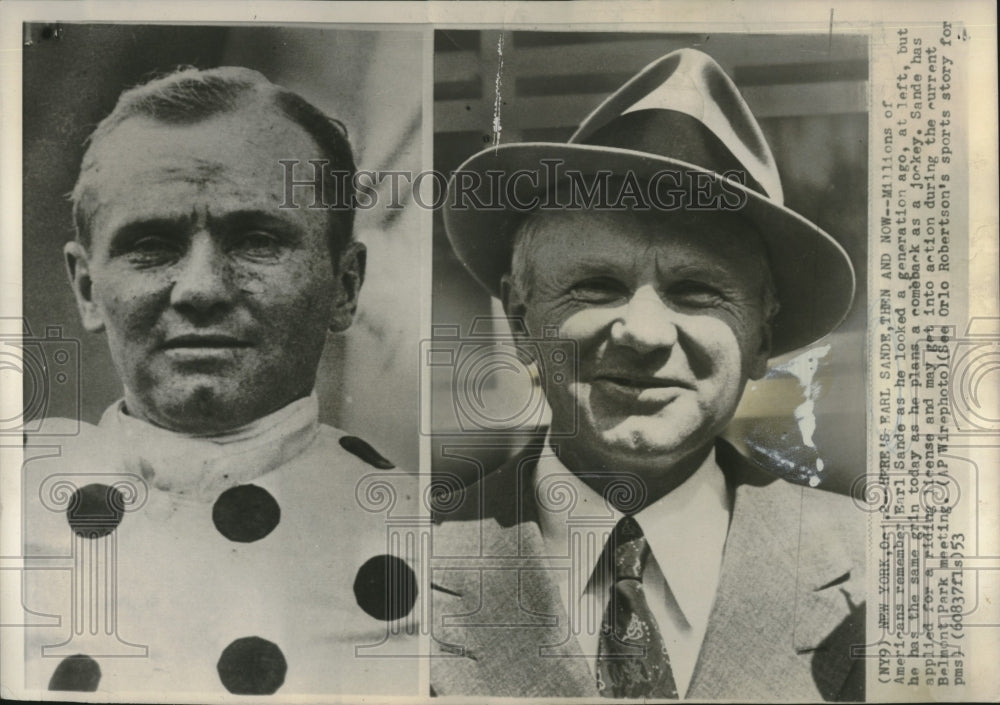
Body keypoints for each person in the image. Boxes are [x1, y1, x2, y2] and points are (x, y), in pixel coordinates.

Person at [430, 48, 864, 700]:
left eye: (696, 292)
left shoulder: (877, 571)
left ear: (760, 339)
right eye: (597, 285)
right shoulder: (398, 565)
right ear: (523, 320)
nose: (644, 333)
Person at [22, 66, 419, 696]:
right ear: (87, 289)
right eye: (150, 245)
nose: (201, 288)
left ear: (344, 287)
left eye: (257, 240)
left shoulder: (439, 547)